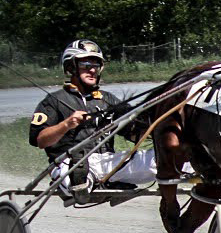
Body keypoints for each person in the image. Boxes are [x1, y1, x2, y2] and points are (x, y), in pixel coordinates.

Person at [29, 39, 157, 193]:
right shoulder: (53, 101)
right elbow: (41, 140)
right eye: (86, 65)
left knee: (166, 157)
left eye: (96, 66)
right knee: (79, 174)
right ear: (71, 67)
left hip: (107, 163)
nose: (92, 70)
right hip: (69, 164)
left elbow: (135, 134)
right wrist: (66, 124)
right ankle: (82, 182)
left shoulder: (108, 100)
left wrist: (155, 125)